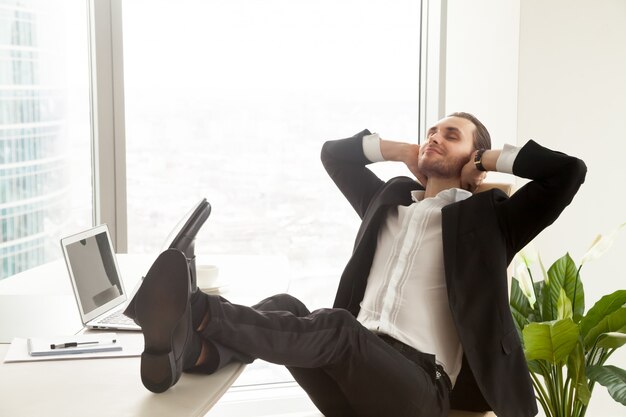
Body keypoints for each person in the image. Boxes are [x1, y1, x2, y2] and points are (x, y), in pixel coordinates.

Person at [127, 112, 587, 417]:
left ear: (474, 157)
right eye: (431, 131)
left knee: (339, 328)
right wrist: (402, 151)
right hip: (351, 382)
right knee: (285, 304)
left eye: (451, 135)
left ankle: (196, 310)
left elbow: (568, 172)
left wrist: (485, 162)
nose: (434, 138)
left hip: (418, 393)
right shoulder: (385, 201)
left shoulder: (491, 223)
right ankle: (194, 352)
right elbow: (333, 154)